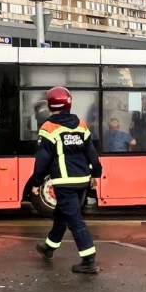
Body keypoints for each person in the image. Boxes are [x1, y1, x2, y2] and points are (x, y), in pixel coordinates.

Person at [30, 86, 103, 274]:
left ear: (50, 105)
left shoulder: (48, 127)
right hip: (81, 181)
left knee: (75, 221)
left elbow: (42, 160)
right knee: (62, 214)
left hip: (64, 182)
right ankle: (49, 247)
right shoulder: (81, 125)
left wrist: (37, 182)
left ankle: (88, 260)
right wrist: (95, 174)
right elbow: (92, 154)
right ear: (69, 103)